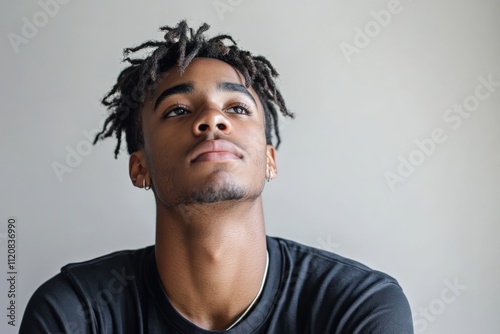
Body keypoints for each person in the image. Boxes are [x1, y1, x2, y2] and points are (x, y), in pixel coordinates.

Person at [20, 21, 414, 333]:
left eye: (238, 108)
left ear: (269, 161)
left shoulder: (357, 306)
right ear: (140, 168)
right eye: (177, 110)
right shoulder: (74, 314)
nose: (213, 118)